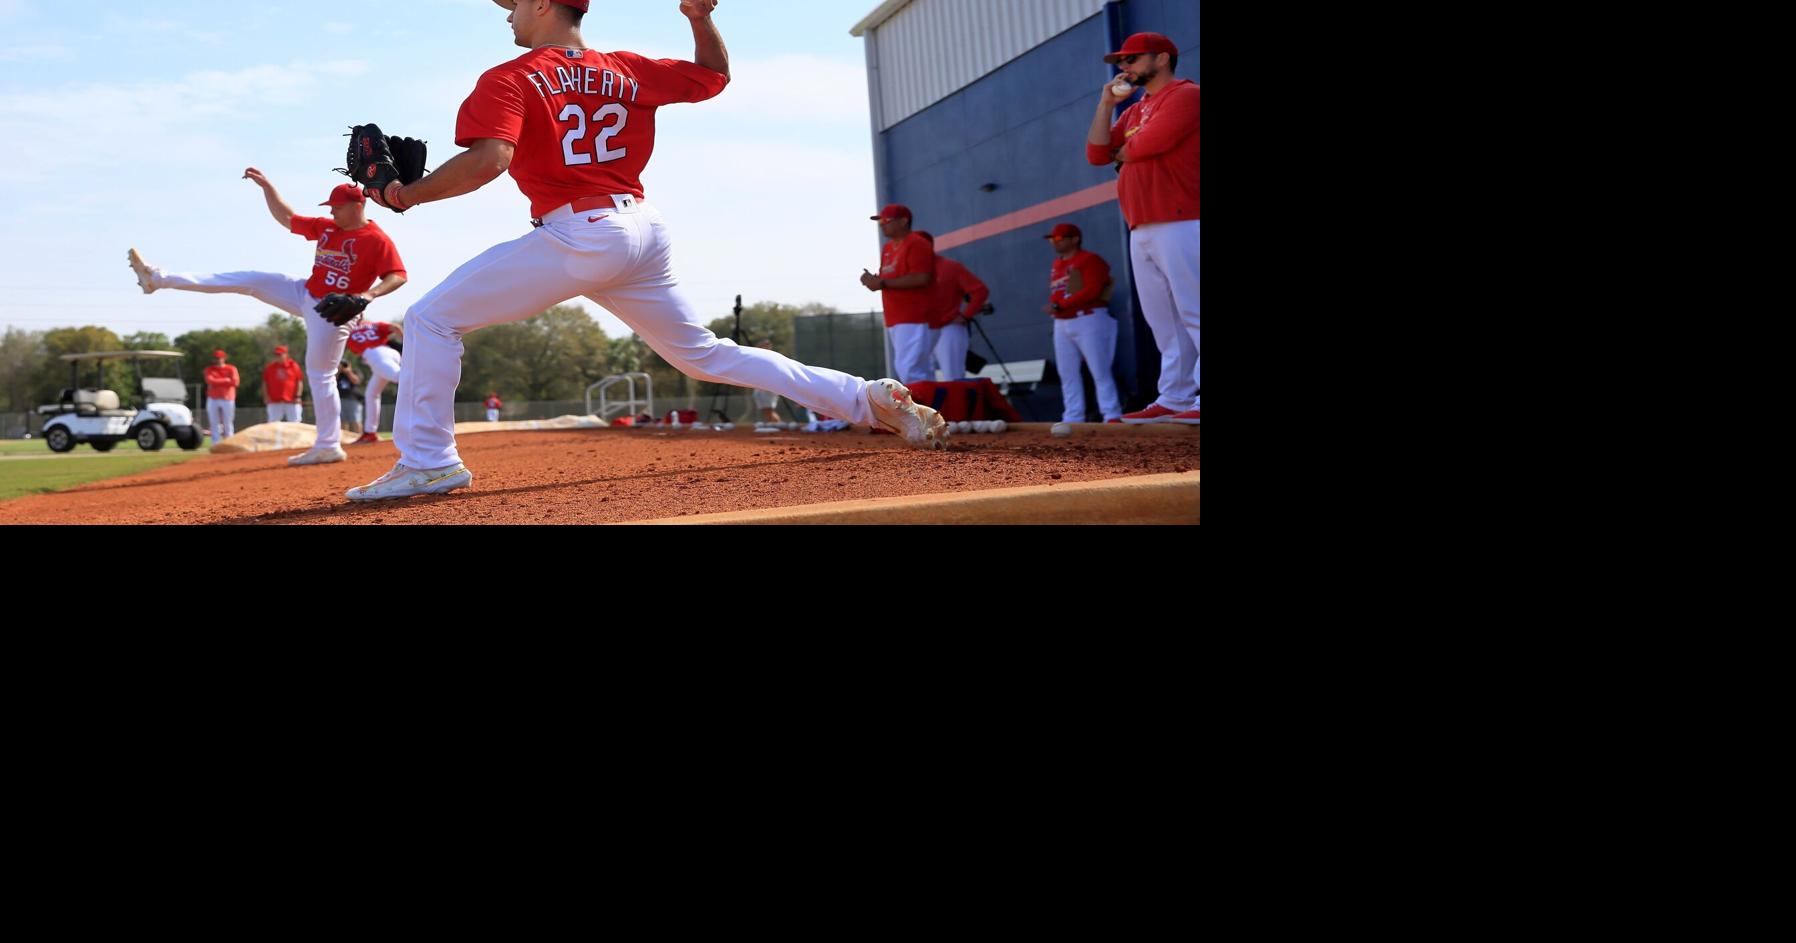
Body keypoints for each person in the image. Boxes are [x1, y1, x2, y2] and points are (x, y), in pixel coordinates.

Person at [343, 0, 945, 502]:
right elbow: (713, 77)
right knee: (704, 354)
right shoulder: (626, 68)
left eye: (516, 3)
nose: (508, 14)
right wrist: (700, 17)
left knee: (430, 318)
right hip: (641, 229)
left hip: (580, 232)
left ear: (545, 4)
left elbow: (489, 160)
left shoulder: (510, 77)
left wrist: (403, 195)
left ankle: (428, 461)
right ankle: (864, 397)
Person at [126, 172, 410, 464]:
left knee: (321, 374)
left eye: (336, 207)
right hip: (304, 292)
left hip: (336, 310)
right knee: (249, 279)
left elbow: (398, 275)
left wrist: (368, 296)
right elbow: (288, 218)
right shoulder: (328, 227)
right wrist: (267, 187)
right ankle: (158, 279)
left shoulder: (376, 239)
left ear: (357, 206)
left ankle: (328, 444)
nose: (332, 212)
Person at [1086, 31, 1201, 425]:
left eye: (1132, 59)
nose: (1125, 66)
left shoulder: (1187, 95)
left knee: (1196, 309)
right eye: (1122, 61)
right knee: (1164, 321)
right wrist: (1106, 104)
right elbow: (1097, 154)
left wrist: (1124, 152)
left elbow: (1153, 143)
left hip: (1184, 217)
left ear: (1162, 58)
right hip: (1142, 222)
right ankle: (1176, 396)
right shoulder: (1134, 110)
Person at [1042, 223, 1123, 423]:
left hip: (1088, 318)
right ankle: (1073, 416)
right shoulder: (1057, 264)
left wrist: (1060, 304)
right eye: (1052, 239)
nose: (1054, 243)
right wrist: (1057, 306)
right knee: (1067, 373)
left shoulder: (1090, 259)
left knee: (1100, 370)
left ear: (1075, 239)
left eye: (1059, 239)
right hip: (1062, 322)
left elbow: (1093, 290)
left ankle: (1111, 414)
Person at [859, 204, 936, 385]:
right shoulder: (888, 248)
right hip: (895, 316)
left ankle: (920, 403)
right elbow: (887, 279)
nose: (882, 225)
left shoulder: (917, 243)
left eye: (886, 221)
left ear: (903, 221)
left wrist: (882, 283)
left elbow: (921, 278)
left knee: (910, 370)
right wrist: (873, 280)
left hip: (913, 316)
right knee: (909, 368)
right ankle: (926, 402)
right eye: (880, 222)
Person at [914, 231, 989, 382]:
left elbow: (980, 291)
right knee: (921, 379)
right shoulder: (909, 273)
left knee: (953, 377)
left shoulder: (949, 267)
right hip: (920, 330)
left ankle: (958, 399)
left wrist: (966, 315)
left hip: (947, 329)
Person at [346, 320, 404, 443]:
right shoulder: (372, 324)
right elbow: (395, 327)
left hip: (375, 355)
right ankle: (370, 432)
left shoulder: (345, 329)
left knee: (403, 379)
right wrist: (407, 343)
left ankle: (433, 386)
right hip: (391, 352)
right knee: (371, 394)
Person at [202, 349, 239, 446]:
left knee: (228, 423)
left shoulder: (231, 368)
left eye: (219, 358)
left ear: (224, 358)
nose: (217, 360)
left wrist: (217, 381)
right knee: (214, 423)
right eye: (216, 358)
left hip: (228, 399)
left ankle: (229, 444)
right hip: (213, 399)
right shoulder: (209, 369)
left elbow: (235, 382)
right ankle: (215, 444)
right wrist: (226, 380)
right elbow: (209, 381)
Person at [262, 345, 305, 424]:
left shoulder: (293, 366)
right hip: (275, 401)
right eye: (276, 354)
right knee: (272, 424)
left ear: (286, 354)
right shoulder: (270, 367)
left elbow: (299, 382)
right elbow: (265, 383)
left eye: (280, 354)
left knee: (295, 423)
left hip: (292, 401)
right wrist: (266, 397)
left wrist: (298, 396)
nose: (278, 356)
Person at [337, 361, 364, 436]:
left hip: (353, 400)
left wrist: (348, 372)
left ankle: (358, 437)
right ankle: (344, 439)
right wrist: (338, 371)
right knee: (342, 421)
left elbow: (356, 381)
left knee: (355, 420)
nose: (344, 366)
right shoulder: (338, 373)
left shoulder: (355, 371)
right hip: (339, 399)